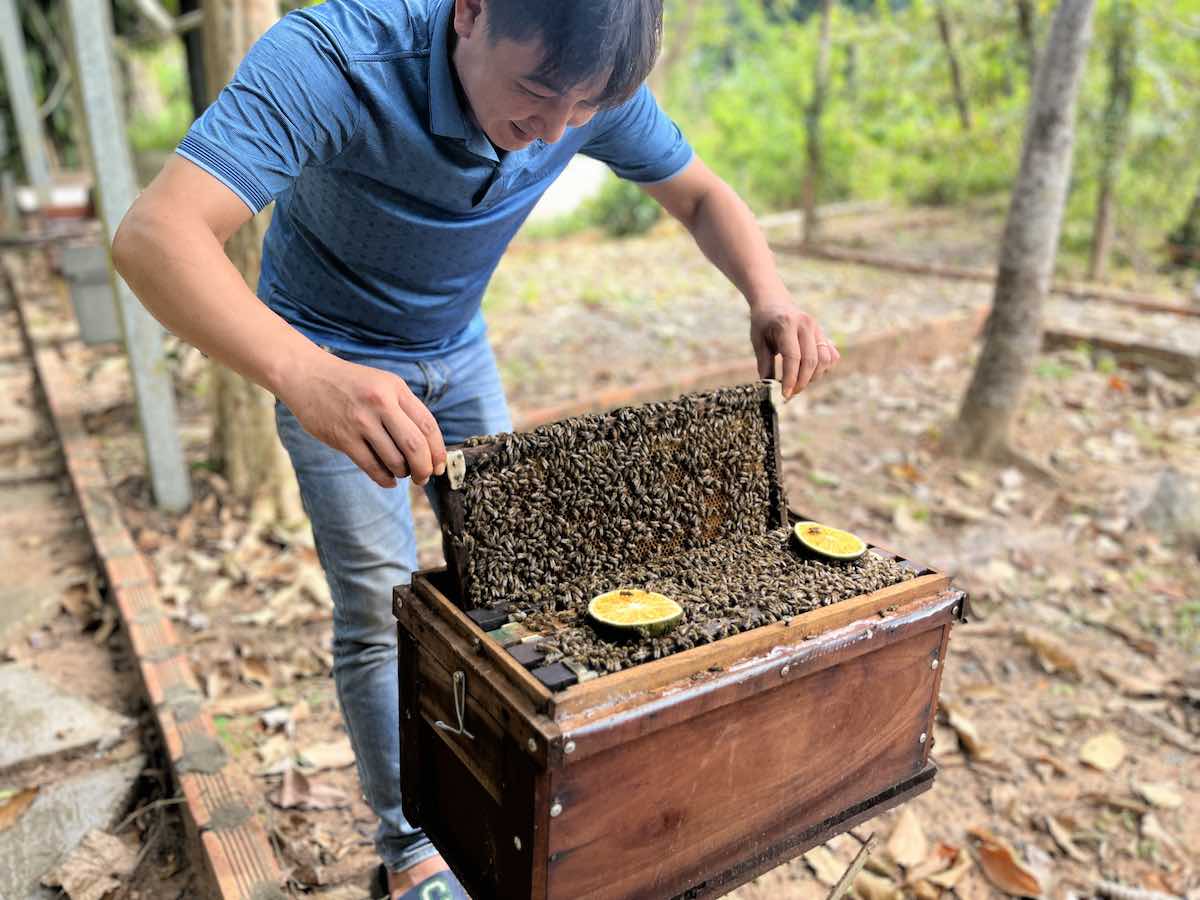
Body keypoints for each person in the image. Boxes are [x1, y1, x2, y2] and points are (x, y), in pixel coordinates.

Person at [113, 0, 841, 896]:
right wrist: (308, 377)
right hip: (323, 351)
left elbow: (700, 195)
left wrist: (767, 295)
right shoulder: (334, 59)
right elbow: (156, 235)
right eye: (537, 93)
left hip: (458, 349)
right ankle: (410, 848)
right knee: (383, 612)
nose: (549, 135)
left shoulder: (588, 90)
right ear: (471, 12)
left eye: (581, 113)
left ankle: (533, 795)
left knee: (528, 579)